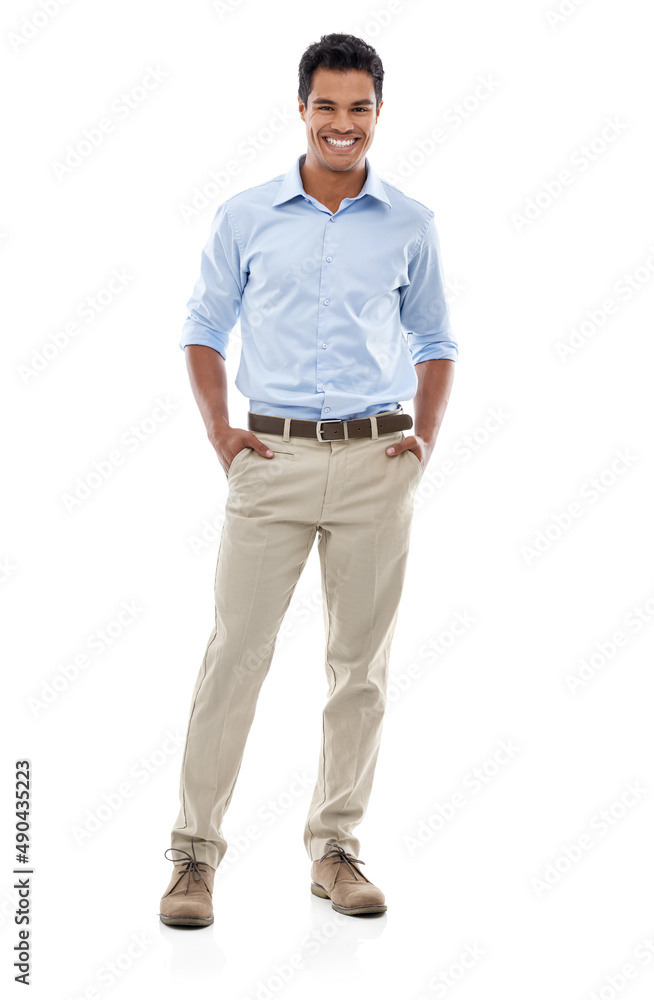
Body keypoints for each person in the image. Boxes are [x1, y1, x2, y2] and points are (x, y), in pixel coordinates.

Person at [159, 31, 458, 927]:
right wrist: (222, 433)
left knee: (358, 668)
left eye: (359, 108)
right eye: (326, 106)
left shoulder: (411, 223)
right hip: (272, 462)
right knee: (234, 659)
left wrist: (424, 442)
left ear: (378, 114)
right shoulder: (246, 215)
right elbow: (204, 327)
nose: (342, 124)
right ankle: (192, 859)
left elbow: (436, 341)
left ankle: (336, 851)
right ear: (301, 109)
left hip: (377, 465)